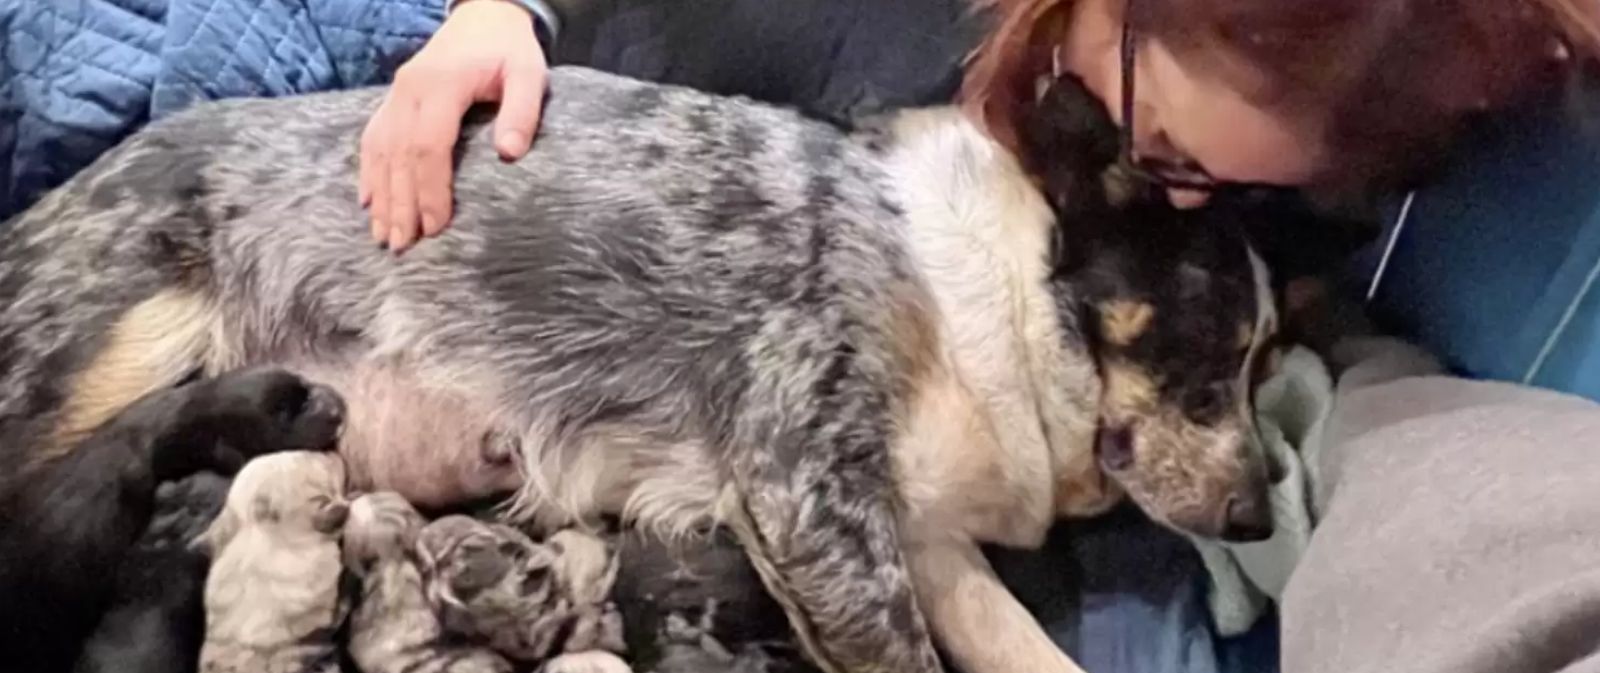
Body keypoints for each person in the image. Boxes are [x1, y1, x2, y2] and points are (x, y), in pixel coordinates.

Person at [359, 0, 1598, 250]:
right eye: (1158, 147)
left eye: (1224, 189)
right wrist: (494, 9)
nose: (1165, 198)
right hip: (517, 71)